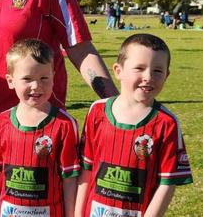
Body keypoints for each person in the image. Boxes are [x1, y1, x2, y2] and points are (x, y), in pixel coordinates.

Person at [75, 34, 193, 217]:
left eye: (158, 71)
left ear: (167, 75)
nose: (148, 77)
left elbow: (167, 183)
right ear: (118, 71)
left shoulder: (167, 123)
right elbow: (86, 170)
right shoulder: (97, 111)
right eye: (139, 68)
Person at [0, 39, 80, 217]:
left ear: (54, 77)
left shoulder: (65, 125)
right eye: (27, 79)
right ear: (10, 80)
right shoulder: (1, 122)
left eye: (44, 78)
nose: (36, 86)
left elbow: (70, 180)